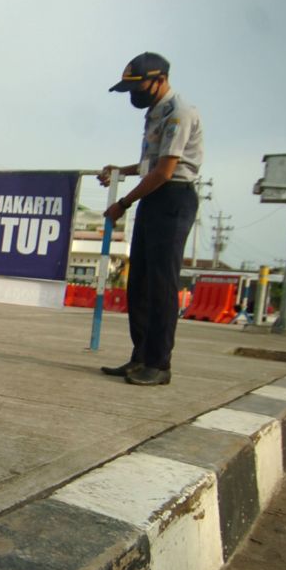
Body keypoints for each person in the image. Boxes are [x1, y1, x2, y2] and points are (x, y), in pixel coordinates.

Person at [99, 52, 204, 386]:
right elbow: (150, 165)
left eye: (138, 86)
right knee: (140, 282)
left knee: (161, 284)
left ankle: (159, 365)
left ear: (160, 79)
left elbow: (165, 171)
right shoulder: (156, 112)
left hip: (172, 198)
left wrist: (124, 203)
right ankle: (140, 357)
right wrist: (122, 171)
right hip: (154, 195)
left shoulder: (179, 114)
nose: (134, 94)